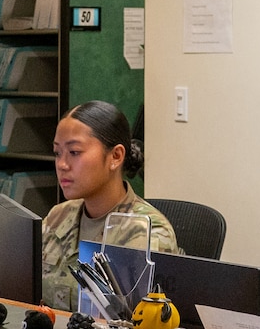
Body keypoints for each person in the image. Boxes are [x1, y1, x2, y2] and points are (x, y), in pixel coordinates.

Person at [40, 101, 177, 311]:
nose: (62, 164)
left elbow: (133, 324)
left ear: (116, 156)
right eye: (58, 153)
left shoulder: (147, 231)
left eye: (74, 152)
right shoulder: (58, 216)